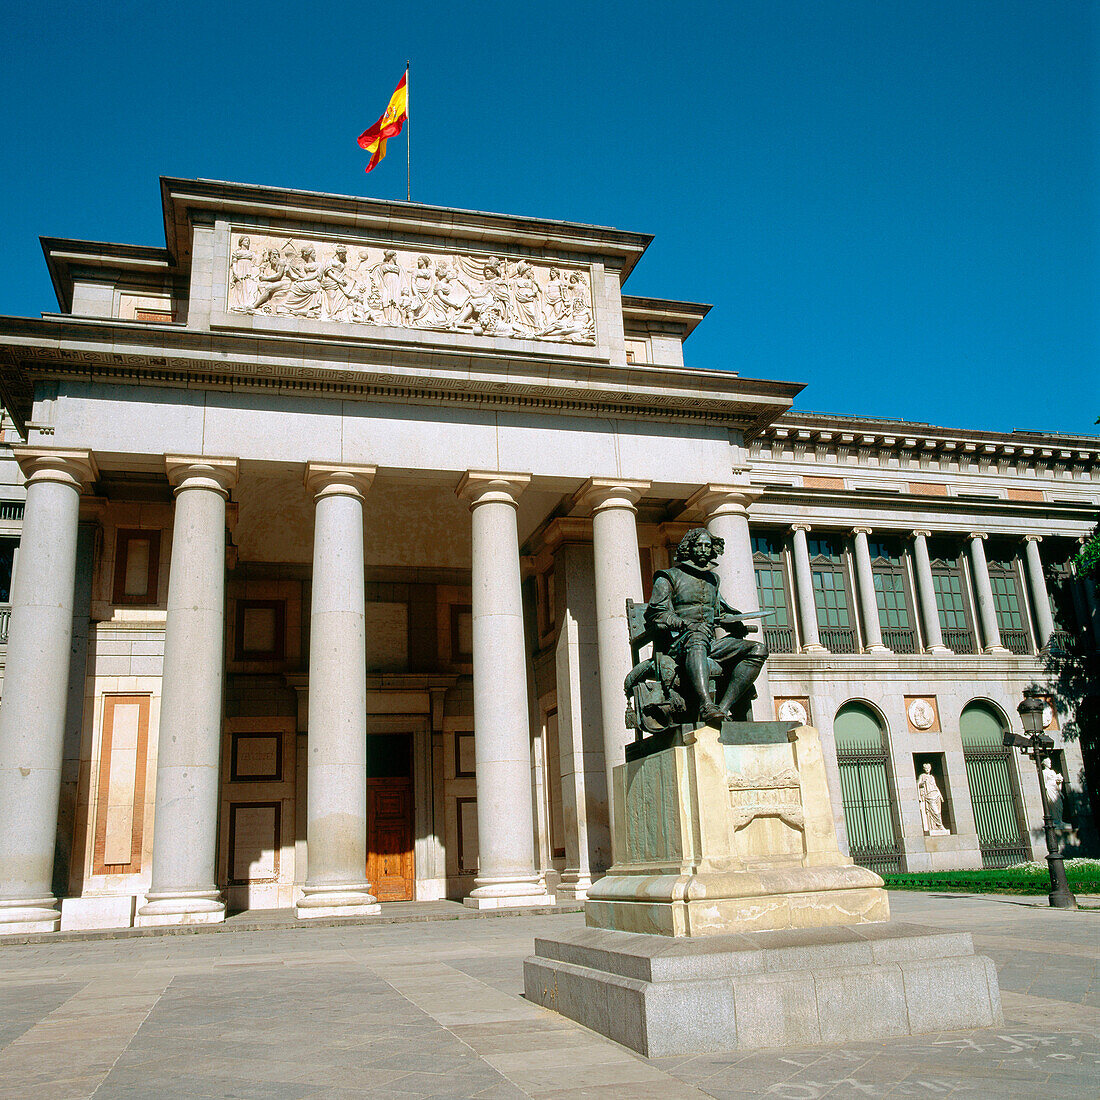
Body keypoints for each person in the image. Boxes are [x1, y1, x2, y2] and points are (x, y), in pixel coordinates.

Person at [642, 528, 768, 726]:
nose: (703, 549)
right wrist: (683, 623)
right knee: (697, 636)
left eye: (707, 546)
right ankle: (706, 705)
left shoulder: (713, 579)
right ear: (689, 548)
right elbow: (656, 613)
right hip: (677, 645)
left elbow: (721, 612)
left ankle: (722, 709)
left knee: (758, 649)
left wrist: (736, 624)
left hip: (709, 644)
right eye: (699, 545)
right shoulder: (667, 577)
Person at [917, 763, 949, 835]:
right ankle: (940, 825)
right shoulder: (922, 776)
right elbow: (918, 784)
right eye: (926, 768)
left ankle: (937, 826)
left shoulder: (932, 777)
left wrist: (940, 795)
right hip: (929, 796)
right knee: (935, 812)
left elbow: (935, 786)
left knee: (938, 812)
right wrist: (923, 782)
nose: (927, 769)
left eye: (928, 767)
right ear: (924, 769)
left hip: (936, 795)